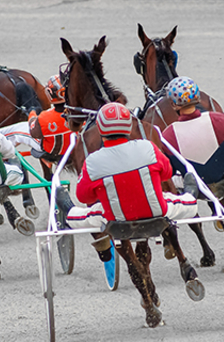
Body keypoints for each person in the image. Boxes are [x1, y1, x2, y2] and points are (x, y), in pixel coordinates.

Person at [66, 102, 198, 261]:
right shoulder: (148, 147)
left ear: (100, 129)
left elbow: (84, 197)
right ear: (129, 126)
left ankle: (64, 203)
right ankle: (191, 192)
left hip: (114, 219)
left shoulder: (92, 162)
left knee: (76, 216)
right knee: (189, 203)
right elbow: (167, 174)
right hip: (156, 211)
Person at [158, 77, 224, 196]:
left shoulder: (167, 135)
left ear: (173, 104)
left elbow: (170, 171)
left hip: (196, 185)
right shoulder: (219, 119)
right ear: (198, 97)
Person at [27, 74, 74, 163]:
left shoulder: (43, 117)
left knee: (17, 132)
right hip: (75, 148)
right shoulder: (80, 113)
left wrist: (32, 114)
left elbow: (34, 133)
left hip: (51, 152)